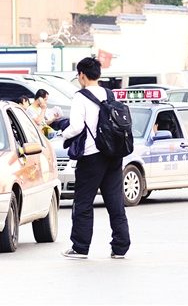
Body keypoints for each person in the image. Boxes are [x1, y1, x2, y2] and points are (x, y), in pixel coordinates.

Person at [60, 57, 130, 259]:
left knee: (83, 203)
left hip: (92, 156)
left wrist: (62, 134)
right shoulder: (109, 94)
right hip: (113, 154)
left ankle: (80, 247)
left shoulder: (81, 96)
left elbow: (77, 127)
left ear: (82, 75)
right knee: (115, 202)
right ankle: (120, 247)